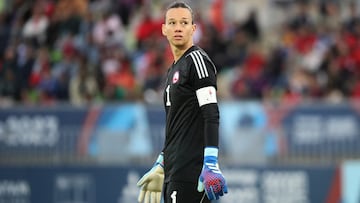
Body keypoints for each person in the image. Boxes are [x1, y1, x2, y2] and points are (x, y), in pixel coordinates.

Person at [137, 1, 228, 203]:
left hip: (191, 174)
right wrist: (162, 163)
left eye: (184, 22)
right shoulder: (172, 71)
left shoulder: (198, 61)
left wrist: (211, 161)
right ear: (164, 29)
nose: (178, 27)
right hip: (173, 173)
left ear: (193, 29)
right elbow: (175, 126)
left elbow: (211, 113)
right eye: (173, 22)